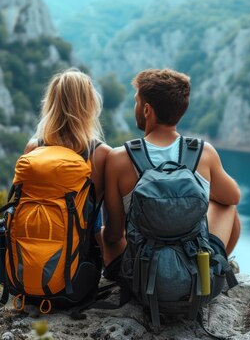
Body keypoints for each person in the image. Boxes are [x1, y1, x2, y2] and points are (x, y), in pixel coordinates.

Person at [102, 68, 241, 279]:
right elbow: (233, 197)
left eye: (136, 101)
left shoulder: (119, 159)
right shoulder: (203, 153)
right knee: (227, 207)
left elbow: (114, 234)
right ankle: (207, 274)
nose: (135, 107)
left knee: (105, 233)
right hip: (192, 267)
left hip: (141, 277)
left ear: (147, 110)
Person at [24, 68, 111, 247]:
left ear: (51, 104)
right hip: (80, 260)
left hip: (32, 250)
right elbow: (111, 225)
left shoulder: (34, 147)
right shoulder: (102, 154)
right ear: (89, 105)